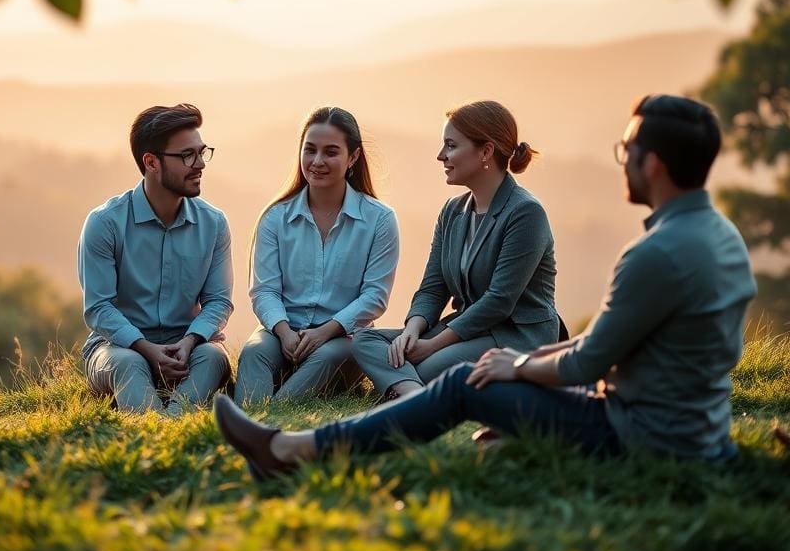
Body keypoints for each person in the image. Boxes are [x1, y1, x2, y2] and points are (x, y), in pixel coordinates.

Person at [214, 94, 757, 479]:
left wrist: (515, 368)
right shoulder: (721, 237)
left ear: (653, 165)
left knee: (463, 385)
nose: (622, 163)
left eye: (626, 152)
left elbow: (586, 360)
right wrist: (429, 334)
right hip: (695, 431)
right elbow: (614, 351)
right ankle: (406, 408)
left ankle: (291, 450)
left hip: (643, 434)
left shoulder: (652, 254)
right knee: (392, 350)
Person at [352, 100, 564, 401]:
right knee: (364, 341)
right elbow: (433, 287)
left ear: (486, 152)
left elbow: (499, 301)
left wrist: (432, 345)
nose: (441, 155)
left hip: (515, 336)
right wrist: (412, 331)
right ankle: (413, 393)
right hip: (465, 330)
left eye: (451, 146)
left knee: (427, 366)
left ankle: (407, 391)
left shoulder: (525, 213)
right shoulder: (452, 212)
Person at [234, 106, 400, 405]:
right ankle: (250, 414)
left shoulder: (379, 219)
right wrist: (284, 333)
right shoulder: (275, 217)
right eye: (310, 150)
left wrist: (325, 332)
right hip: (282, 331)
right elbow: (264, 291)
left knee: (328, 357)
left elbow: (375, 296)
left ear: (353, 157)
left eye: (331, 152)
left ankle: (272, 416)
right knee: (254, 352)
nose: (317, 161)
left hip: (343, 338)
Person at [78, 103, 233, 415]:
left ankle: (169, 425)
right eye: (187, 155)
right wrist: (146, 349)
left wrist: (190, 342)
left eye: (202, 152)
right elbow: (98, 308)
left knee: (214, 358)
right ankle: (159, 428)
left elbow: (219, 301)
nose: (200, 164)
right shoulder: (105, 223)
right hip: (118, 349)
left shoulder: (214, 223)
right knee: (129, 364)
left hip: (187, 348)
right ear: (151, 162)